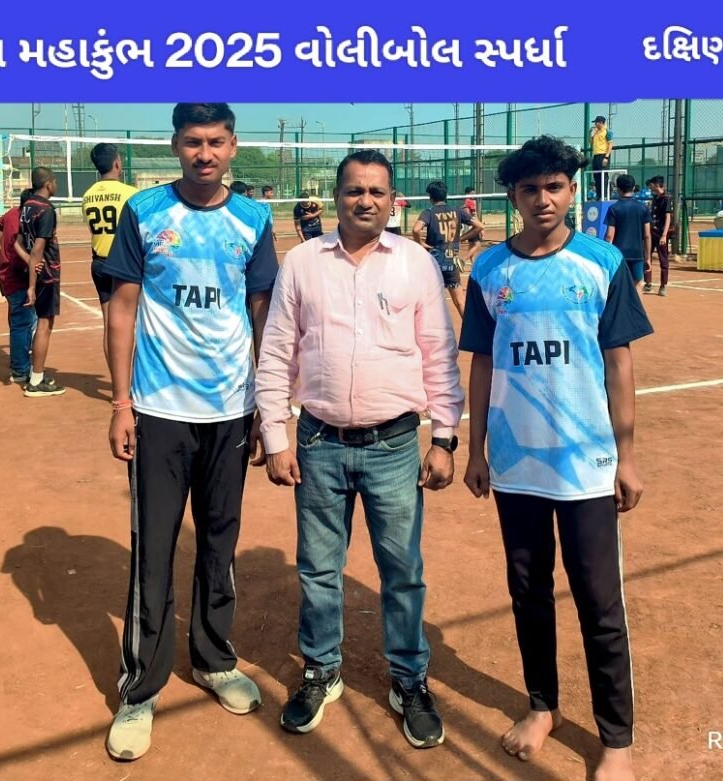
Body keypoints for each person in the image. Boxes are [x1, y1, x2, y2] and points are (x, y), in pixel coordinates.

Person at [254, 148, 464, 749]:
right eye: (354, 190)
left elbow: (439, 354)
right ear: (336, 197)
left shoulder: (416, 263)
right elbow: (277, 351)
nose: (365, 200)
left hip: (394, 445)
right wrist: (276, 435)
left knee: (402, 571)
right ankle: (321, 670)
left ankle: (409, 680)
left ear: (393, 201)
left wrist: (443, 438)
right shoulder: (303, 263)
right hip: (318, 442)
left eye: (376, 191)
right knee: (319, 568)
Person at [459, 135, 652, 781]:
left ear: (572, 190)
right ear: (512, 197)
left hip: (587, 465)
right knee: (528, 591)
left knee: (599, 600)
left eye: (555, 186)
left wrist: (626, 457)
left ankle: (616, 739)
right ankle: (543, 705)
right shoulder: (490, 269)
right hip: (517, 464)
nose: (543, 199)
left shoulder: (601, 262)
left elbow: (619, 363)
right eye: (530, 189)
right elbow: (482, 363)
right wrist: (477, 448)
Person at [102, 102, 278, 762]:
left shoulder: (254, 219)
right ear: (175, 145)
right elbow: (122, 309)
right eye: (193, 142)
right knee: (153, 548)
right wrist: (121, 402)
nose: (205, 153)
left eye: (216, 141)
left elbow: (263, 315)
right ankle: (140, 688)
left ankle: (213, 658)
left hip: (230, 408)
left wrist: (265, 404)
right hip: (158, 408)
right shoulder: (144, 212)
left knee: (220, 540)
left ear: (234, 146)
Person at [81, 143, 138, 370]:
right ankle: (133, 379)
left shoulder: (88, 196)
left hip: (99, 262)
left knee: (110, 324)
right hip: (125, 264)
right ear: (117, 163)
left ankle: (118, 379)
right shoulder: (131, 194)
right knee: (134, 322)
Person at [20, 167, 65, 396]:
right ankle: (36, 381)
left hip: (36, 271)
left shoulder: (27, 206)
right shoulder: (46, 209)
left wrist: (29, 265)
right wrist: (31, 285)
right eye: (55, 182)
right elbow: (38, 248)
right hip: (46, 274)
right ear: (48, 184)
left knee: (41, 323)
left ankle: (35, 372)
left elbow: (19, 240)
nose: (56, 185)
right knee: (44, 325)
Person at [411, 180, 483, 318]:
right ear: (446, 195)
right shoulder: (457, 211)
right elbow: (479, 226)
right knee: (460, 302)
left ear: (430, 197)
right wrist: (460, 238)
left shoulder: (429, 212)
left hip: (433, 262)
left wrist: (420, 243)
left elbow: (416, 229)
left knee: (426, 302)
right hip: (451, 261)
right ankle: (469, 329)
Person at [0, 189, 37, 384]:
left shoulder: (12, 213)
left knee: (20, 318)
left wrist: (4, 243)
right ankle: (20, 369)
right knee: (22, 322)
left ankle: (20, 359)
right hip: (16, 274)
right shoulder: (25, 219)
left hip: (5, 272)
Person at [604, 174, 652, 288]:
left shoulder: (614, 208)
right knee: (637, 284)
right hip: (637, 253)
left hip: (618, 254)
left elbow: (609, 236)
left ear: (618, 189)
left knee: (619, 286)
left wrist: (606, 254)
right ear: (634, 188)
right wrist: (647, 258)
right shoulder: (643, 208)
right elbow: (647, 235)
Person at [644, 175, 672, 296]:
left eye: (651, 184)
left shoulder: (666, 199)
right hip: (652, 232)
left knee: (663, 259)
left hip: (661, 233)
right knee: (647, 256)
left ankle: (663, 285)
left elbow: (668, 217)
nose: (650, 187)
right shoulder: (655, 198)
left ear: (656, 185)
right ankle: (648, 283)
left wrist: (664, 235)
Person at [589, 116, 614, 200]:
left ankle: (605, 195)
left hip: (603, 155)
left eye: (596, 122)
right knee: (596, 176)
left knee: (604, 175)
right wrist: (591, 135)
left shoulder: (607, 132)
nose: (595, 124)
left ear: (601, 123)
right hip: (596, 155)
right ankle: (599, 195)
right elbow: (591, 143)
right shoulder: (596, 132)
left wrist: (606, 157)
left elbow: (610, 144)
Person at [462, 186, 485, 265]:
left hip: (468, 226)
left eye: (474, 193)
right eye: (472, 193)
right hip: (473, 227)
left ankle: (473, 264)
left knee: (472, 246)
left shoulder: (465, 201)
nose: (474, 195)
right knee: (477, 245)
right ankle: (462, 260)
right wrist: (481, 228)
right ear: (467, 194)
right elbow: (474, 216)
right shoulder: (471, 202)